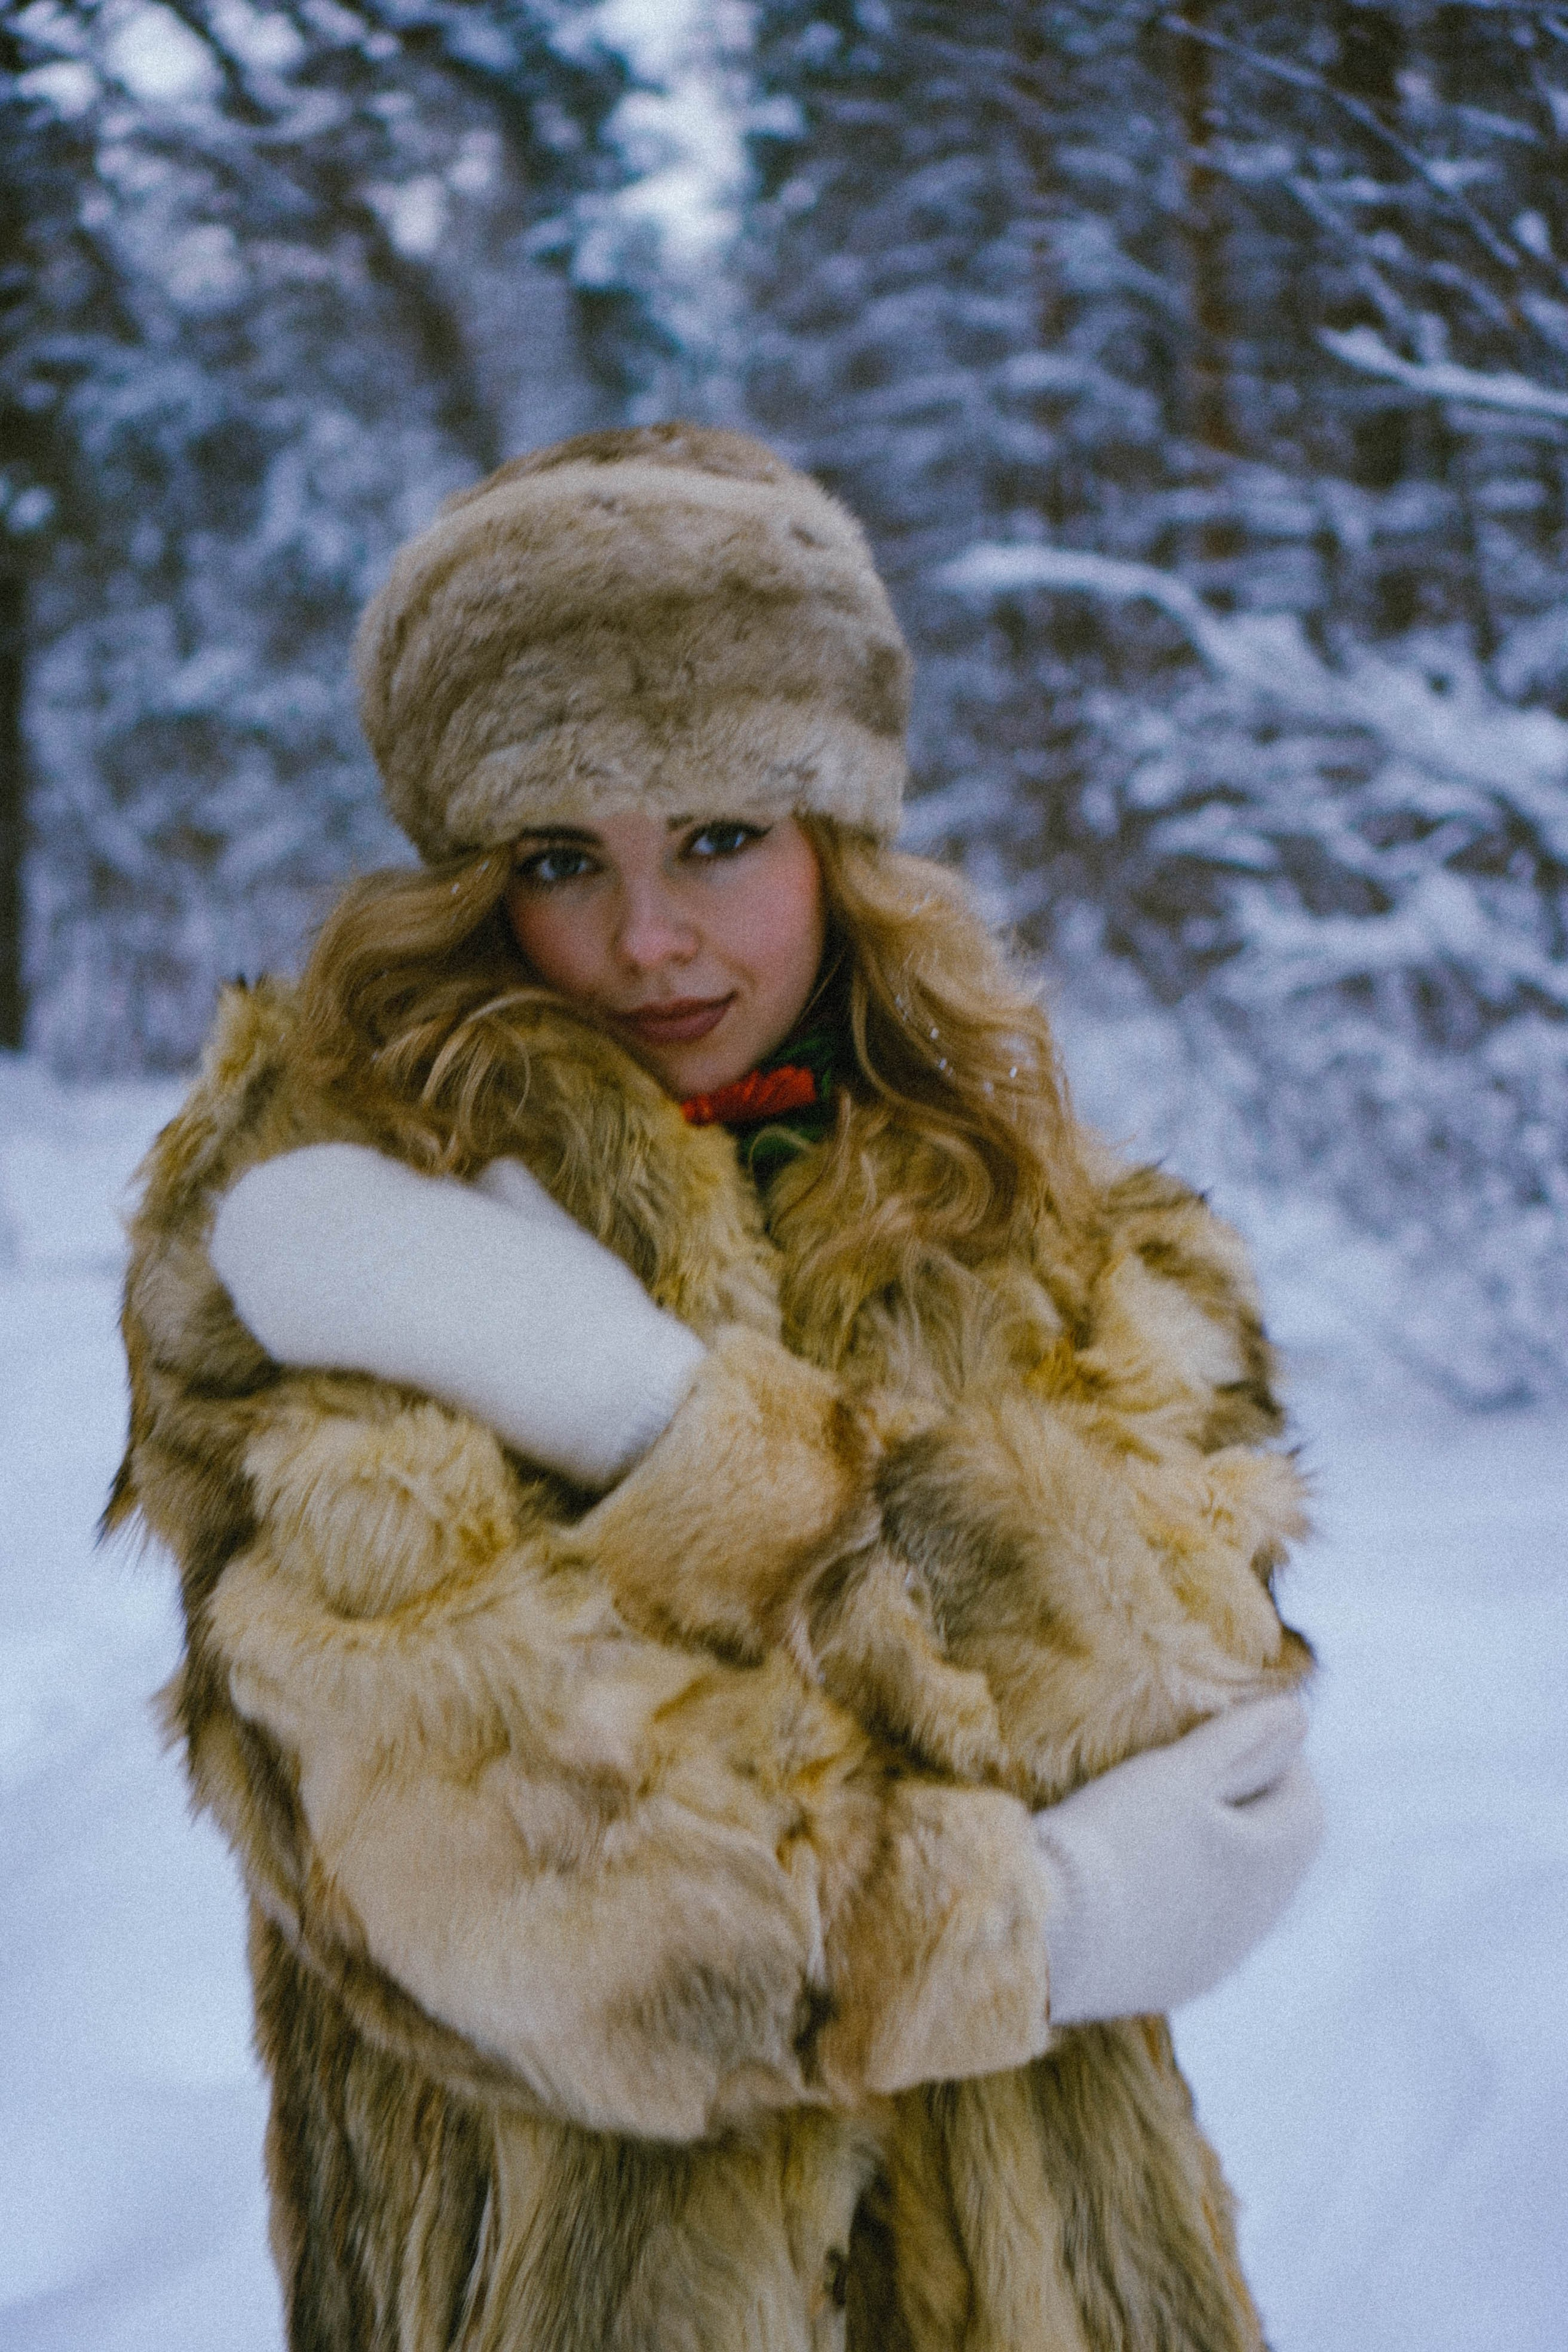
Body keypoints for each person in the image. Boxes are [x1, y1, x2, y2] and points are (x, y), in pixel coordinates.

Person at [111, 424, 1321, 2352]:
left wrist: (651, 1429)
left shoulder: (1041, 1218)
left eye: (722, 838)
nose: (648, 939)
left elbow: (1190, 1708)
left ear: (839, 837)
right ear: (468, 879)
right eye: (562, 858)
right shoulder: (330, 1225)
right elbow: (570, 1918)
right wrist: (1066, 1918)